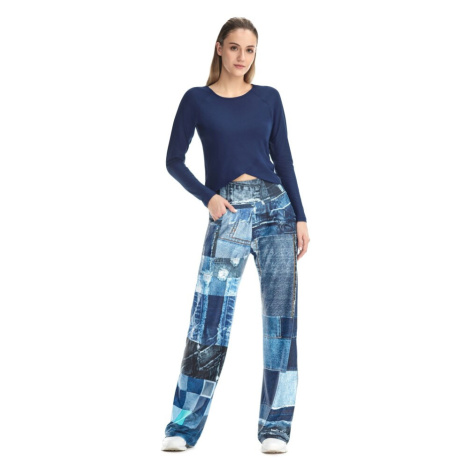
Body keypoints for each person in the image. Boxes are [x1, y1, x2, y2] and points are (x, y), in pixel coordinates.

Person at [161, 17, 310, 454]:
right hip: (226, 211)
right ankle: (183, 425)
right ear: (220, 48)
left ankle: (275, 427)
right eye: (235, 47)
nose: (242, 57)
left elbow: (284, 160)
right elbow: (173, 160)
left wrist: (301, 216)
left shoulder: (269, 98)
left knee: (281, 321)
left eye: (250, 50)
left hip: (276, 211)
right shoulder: (197, 99)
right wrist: (207, 197)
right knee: (208, 317)